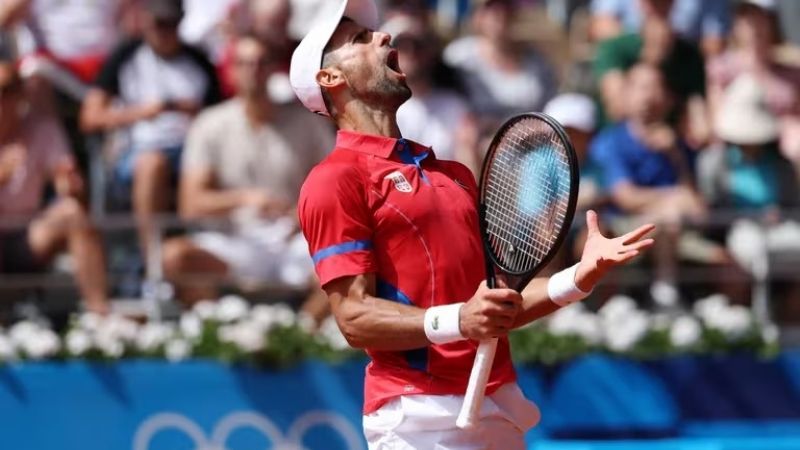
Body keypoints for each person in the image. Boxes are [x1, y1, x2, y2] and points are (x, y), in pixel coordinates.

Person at [289, 0, 656, 447]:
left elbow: (500, 302)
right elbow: (354, 317)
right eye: (360, 39)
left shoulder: (455, 175)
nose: (384, 37)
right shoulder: (334, 180)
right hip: (416, 414)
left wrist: (579, 277)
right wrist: (460, 320)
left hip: (496, 404)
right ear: (331, 78)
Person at [162, 34, 333, 306]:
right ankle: (218, 327)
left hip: (296, 239)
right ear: (231, 70)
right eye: (243, 63)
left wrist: (300, 216)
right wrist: (245, 199)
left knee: (348, 262)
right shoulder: (209, 124)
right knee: (175, 257)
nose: (252, 70)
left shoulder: (307, 123)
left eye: (260, 62)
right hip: (234, 241)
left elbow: (335, 190)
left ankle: (302, 333)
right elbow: (190, 204)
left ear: (273, 68)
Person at [80, 0, 221, 261]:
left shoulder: (200, 61)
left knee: (207, 168)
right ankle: (152, 263)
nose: (164, 31)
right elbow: (90, 117)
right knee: (152, 164)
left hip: (192, 151)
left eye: (171, 24)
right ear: (145, 21)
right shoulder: (125, 55)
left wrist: (194, 112)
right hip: (135, 152)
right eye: (158, 23)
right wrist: (142, 113)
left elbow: (221, 119)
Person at [589, 63, 733, 307]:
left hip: (681, 231)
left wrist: (675, 155)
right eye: (642, 87)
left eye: (655, 87)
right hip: (626, 229)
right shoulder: (610, 142)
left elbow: (697, 208)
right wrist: (673, 197)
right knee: (666, 218)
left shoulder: (679, 145)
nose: (648, 96)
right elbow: (625, 197)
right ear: (627, 93)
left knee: (727, 263)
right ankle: (664, 294)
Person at [0, 62, 108, 314]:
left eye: (6, 90)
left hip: (26, 236)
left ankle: (102, 321)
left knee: (72, 213)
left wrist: (70, 186)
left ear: (20, 94)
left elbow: (68, 184)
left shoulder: (42, 129)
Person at [698, 73, 800, 311]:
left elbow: (792, 203)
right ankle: (757, 321)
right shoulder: (713, 162)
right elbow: (711, 211)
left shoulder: (780, 164)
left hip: (781, 231)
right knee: (753, 253)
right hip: (738, 233)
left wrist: (778, 214)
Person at [593, 0, 707, 143]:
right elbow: (617, 108)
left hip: (671, 149)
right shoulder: (614, 48)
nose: (659, 7)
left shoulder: (690, 55)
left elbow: (699, 124)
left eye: (664, 2)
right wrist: (651, 60)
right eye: (652, 3)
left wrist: (674, 135)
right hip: (620, 147)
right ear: (639, 4)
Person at [381, 14, 481, 174]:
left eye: (418, 45)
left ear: (430, 52)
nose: (411, 52)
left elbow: (468, 162)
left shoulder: (454, 105)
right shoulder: (381, 108)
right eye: (402, 45)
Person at [706, 0, 800, 167]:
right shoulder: (722, 68)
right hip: (738, 143)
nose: (753, 26)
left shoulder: (791, 69)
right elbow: (717, 118)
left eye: (759, 17)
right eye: (746, 18)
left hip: (784, 150)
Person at [443, 0, 558, 123]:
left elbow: (551, 108)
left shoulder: (537, 60)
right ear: (477, 16)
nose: (500, 14)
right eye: (491, 8)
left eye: (505, 7)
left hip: (529, 138)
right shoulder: (459, 56)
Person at [590, 0, 731, 57]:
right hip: (629, 66)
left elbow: (716, 43)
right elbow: (602, 26)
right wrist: (647, 47)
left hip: (685, 66)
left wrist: (673, 48)